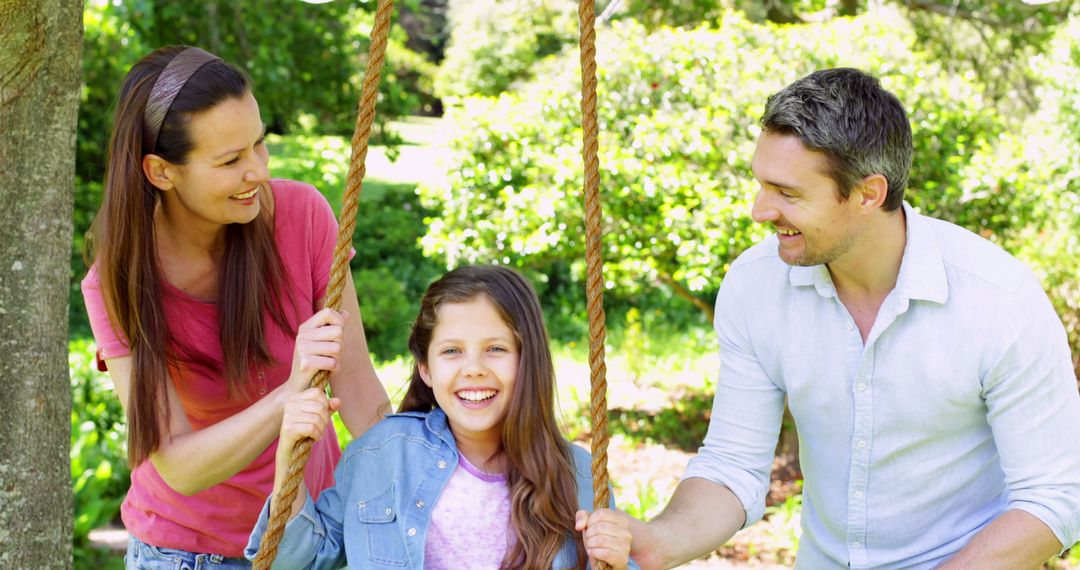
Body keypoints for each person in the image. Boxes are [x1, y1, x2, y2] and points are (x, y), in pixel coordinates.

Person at [614, 68, 1080, 569]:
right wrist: (660, 540)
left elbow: (1056, 495)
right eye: (761, 185)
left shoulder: (998, 300)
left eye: (787, 193)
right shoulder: (755, 285)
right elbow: (733, 465)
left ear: (867, 194)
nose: (759, 210)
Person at [81, 45, 390, 568]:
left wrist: (443, 482)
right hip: (185, 552)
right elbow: (177, 463)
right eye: (230, 161)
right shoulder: (120, 280)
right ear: (161, 171)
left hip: (310, 537)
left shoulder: (302, 216)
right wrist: (290, 394)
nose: (258, 172)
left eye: (259, 145)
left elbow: (360, 394)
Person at [244, 265, 636, 569]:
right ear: (426, 368)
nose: (474, 368)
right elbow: (293, 563)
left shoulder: (577, 474)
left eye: (496, 349)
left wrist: (616, 561)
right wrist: (288, 462)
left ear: (527, 359)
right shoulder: (383, 455)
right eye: (452, 351)